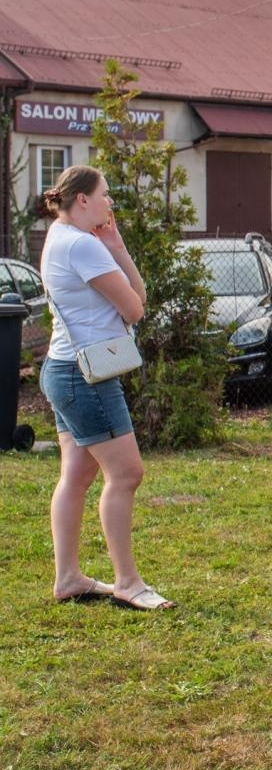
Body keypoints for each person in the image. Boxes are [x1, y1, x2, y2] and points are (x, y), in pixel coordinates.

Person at [38, 165, 172, 611]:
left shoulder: (59, 237)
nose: (110, 202)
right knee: (127, 474)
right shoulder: (82, 246)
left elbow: (134, 301)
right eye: (105, 194)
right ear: (83, 200)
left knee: (76, 476)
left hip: (63, 369)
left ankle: (68, 577)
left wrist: (114, 244)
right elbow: (136, 307)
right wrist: (115, 249)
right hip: (87, 376)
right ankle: (128, 582)